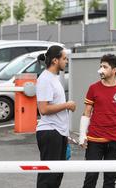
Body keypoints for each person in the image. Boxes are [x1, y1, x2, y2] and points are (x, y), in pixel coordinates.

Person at [79, 54, 116, 188]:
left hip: (115, 139)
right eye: (100, 66)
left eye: (105, 67)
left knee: (110, 180)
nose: (101, 70)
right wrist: (82, 135)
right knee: (90, 178)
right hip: (95, 139)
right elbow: (86, 112)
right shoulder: (93, 88)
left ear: (114, 70)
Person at [36, 45, 76, 188]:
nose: (66, 61)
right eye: (64, 58)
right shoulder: (45, 79)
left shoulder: (53, 78)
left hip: (58, 132)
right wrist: (67, 105)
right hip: (50, 132)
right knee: (48, 178)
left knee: (56, 176)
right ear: (54, 60)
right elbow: (43, 109)